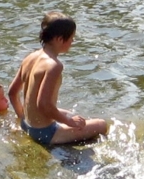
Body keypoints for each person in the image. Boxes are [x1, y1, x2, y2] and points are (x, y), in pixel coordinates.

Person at [10, 12, 111, 148]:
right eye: (71, 38)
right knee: (101, 124)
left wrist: (22, 118)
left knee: (71, 114)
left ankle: (47, 124)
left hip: (26, 124)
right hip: (44, 133)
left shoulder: (30, 57)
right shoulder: (54, 65)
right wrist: (69, 122)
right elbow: (43, 104)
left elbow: (12, 92)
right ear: (59, 39)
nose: (72, 42)